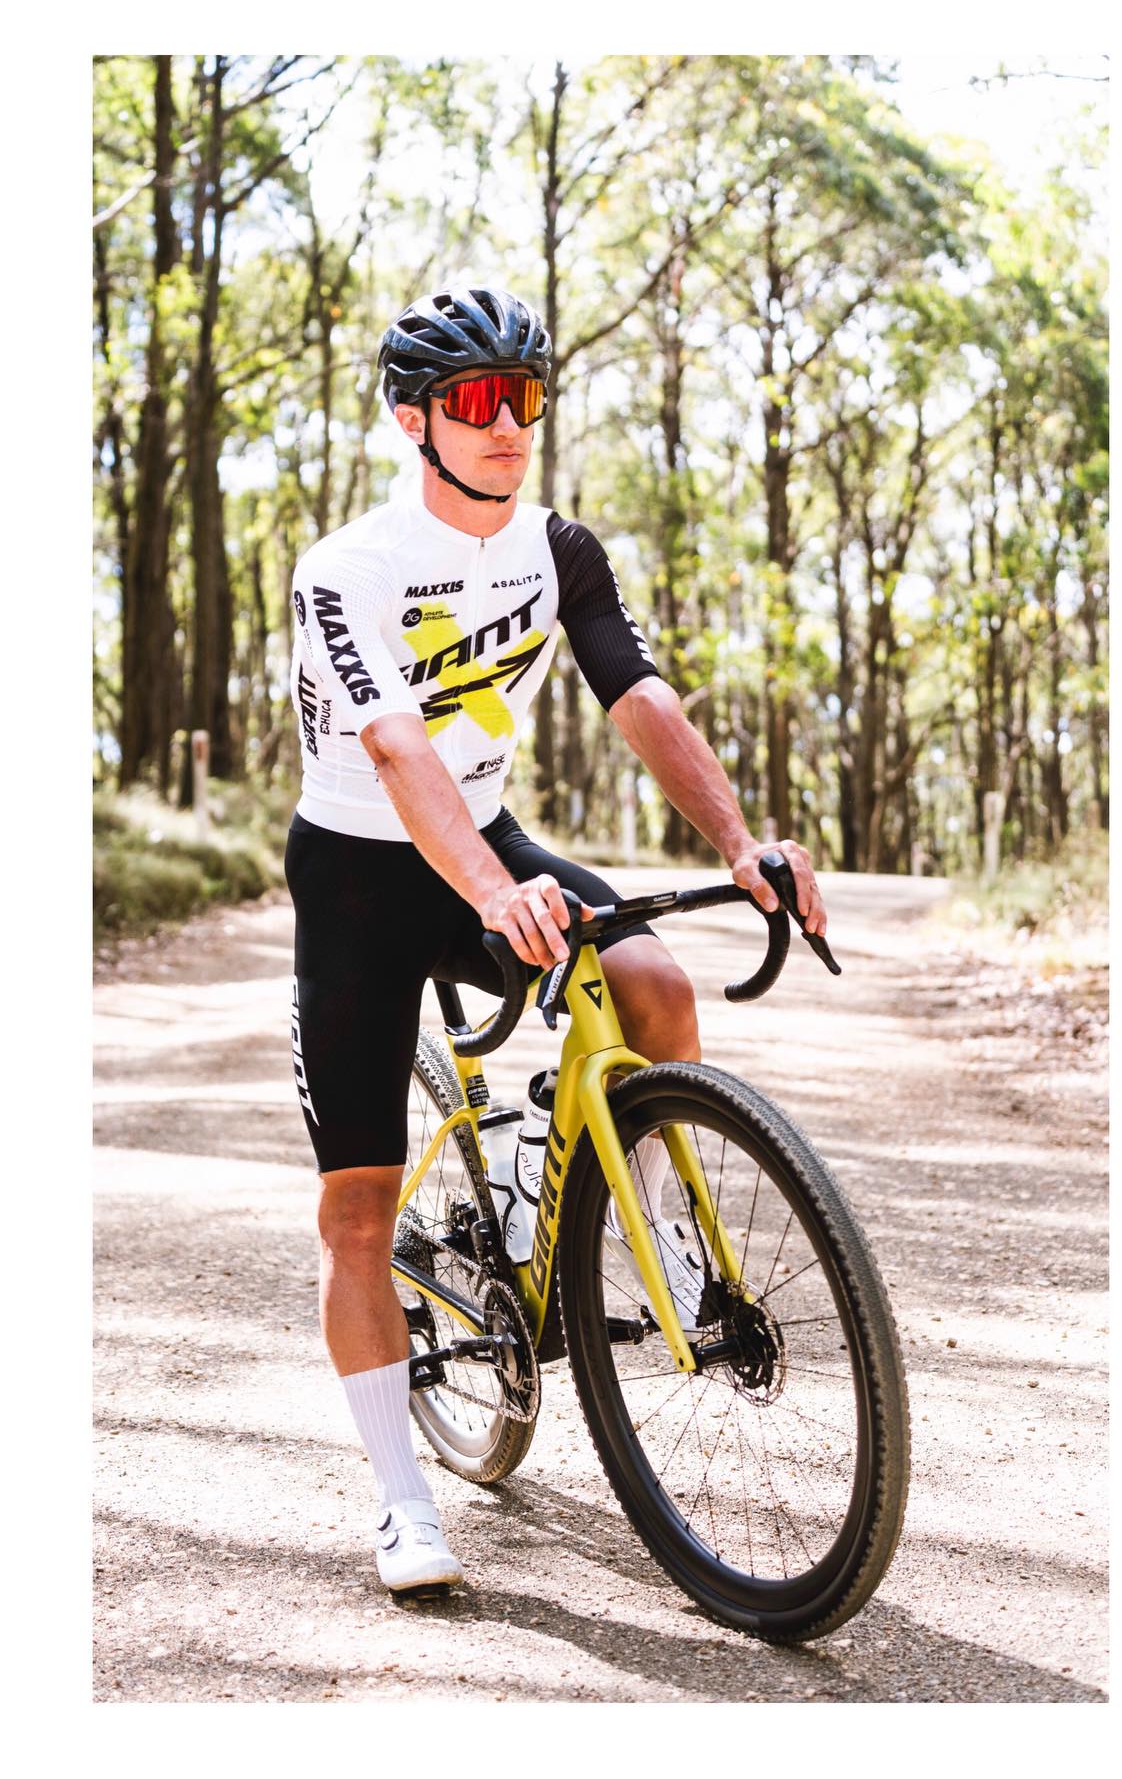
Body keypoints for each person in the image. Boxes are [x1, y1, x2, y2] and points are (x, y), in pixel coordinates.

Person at [285, 281, 828, 1594]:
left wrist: (739, 842)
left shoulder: (557, 548)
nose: (506, 424)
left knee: (648, 975)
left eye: (522, 397)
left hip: (484, 831)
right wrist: (484, 895)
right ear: (413, 418)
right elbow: (397, 746)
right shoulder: (343, 570)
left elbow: (637, 696)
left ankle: (671, 1249)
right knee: (357, 1219)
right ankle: (407, 1504)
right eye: (475, 401)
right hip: (361, 875)